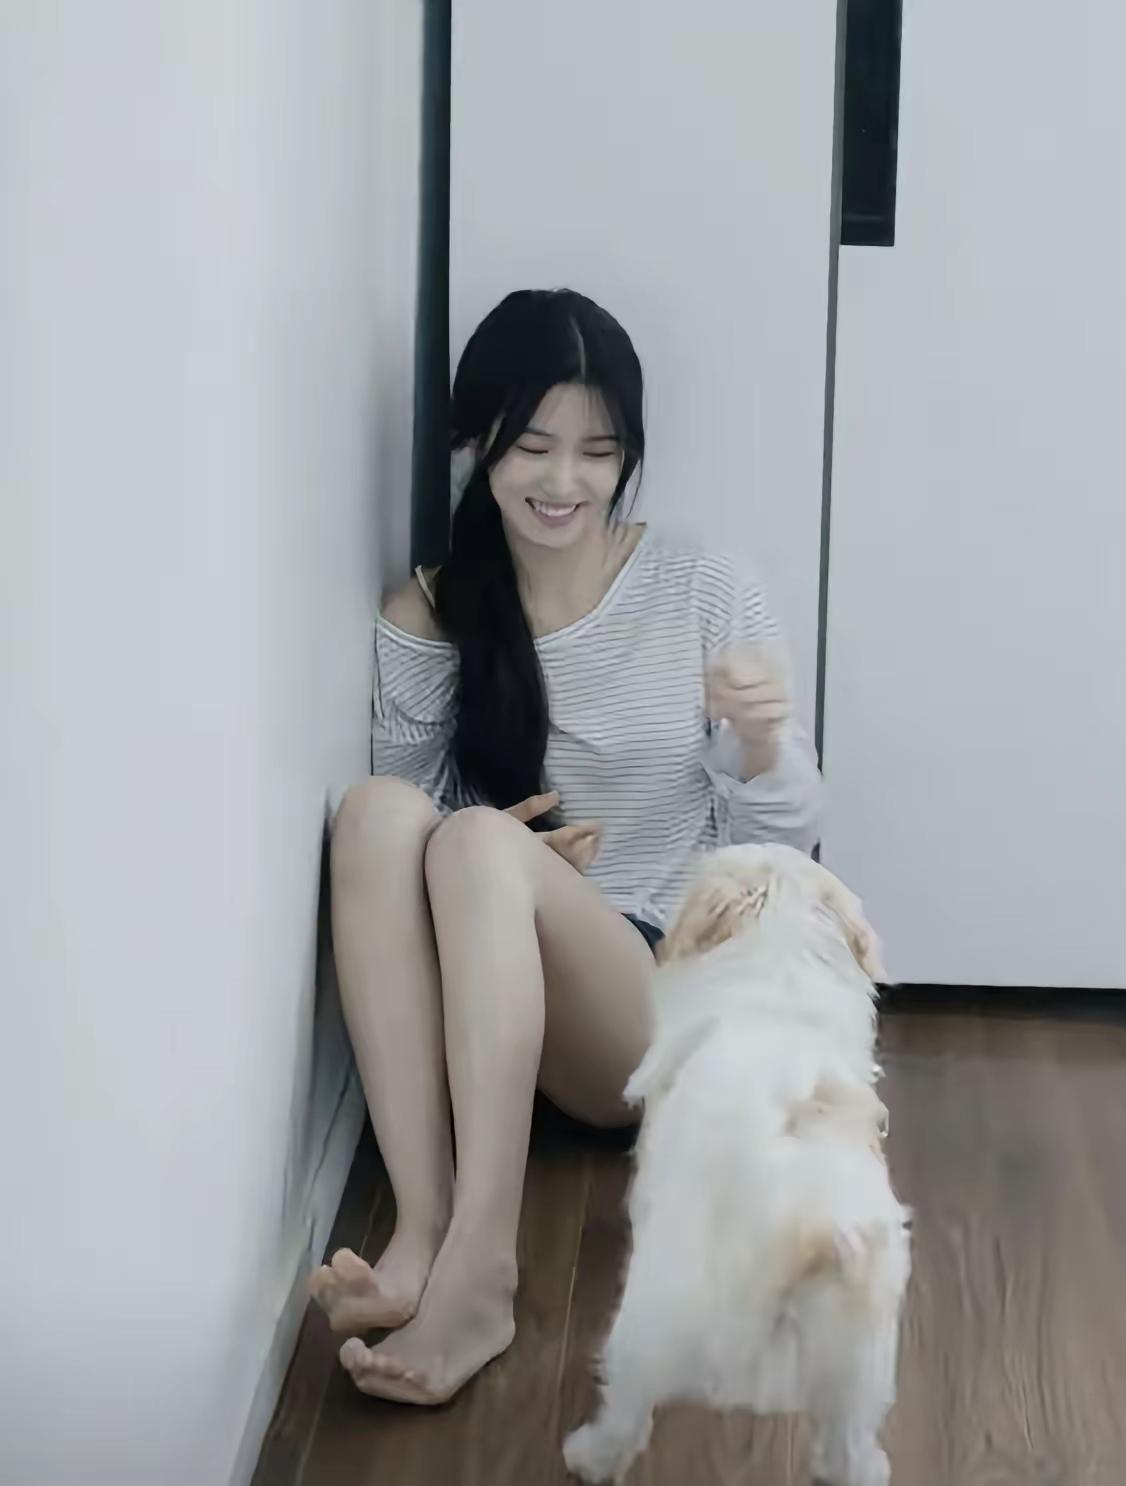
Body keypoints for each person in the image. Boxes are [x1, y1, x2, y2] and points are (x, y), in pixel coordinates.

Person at [308, 289, 823, 1405]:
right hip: (489, 1005)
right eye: (533, 446)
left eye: (598, 451)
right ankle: (424, 1229)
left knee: (475, 846)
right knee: (379, 814)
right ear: (477, 441)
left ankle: (481, 1269)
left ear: (628, 454)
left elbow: (783, 848)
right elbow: (403, 855)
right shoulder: (431, 613)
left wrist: (761, 743)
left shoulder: (701, 586)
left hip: (651, 994)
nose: (565, 481)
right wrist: (513, 855)